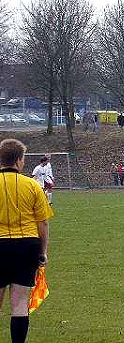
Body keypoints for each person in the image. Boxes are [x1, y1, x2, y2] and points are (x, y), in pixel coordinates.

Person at [0, 138, 54, 343]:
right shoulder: (32, 186)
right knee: (20, 304)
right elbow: (43, 223)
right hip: (26, 246)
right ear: (19, 161)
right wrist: (43, 252)